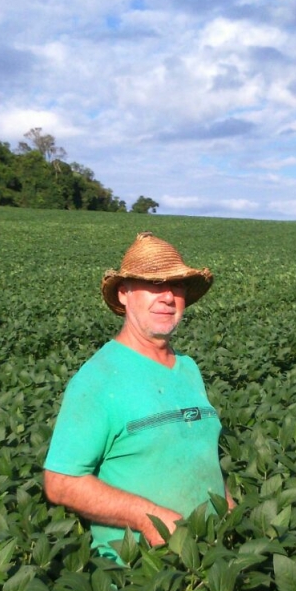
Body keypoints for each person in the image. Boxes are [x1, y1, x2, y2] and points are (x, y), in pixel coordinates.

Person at [43, 231, 233, 560]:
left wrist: (229, 510)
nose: (168, 297)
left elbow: (201, 457)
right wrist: (150, 521)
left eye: (176, 286)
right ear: (124, 293)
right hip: (143, 574)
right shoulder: (98, 379)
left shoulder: (189, 369)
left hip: (211, 561)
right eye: (154, 285)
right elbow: (61, 481)